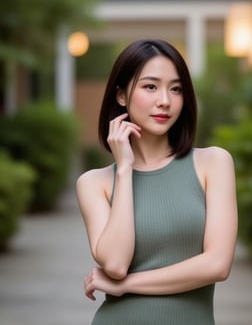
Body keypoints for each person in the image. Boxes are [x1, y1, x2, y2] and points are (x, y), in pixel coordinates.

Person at [76, 38, 238, 325]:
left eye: (176, 89)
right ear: (121, 96)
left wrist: (127, 285)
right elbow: (114, 264)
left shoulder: (213, 164)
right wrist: (125, 169)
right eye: (150, 86)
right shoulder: (94, 183)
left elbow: (217, 264)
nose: (165, 100)